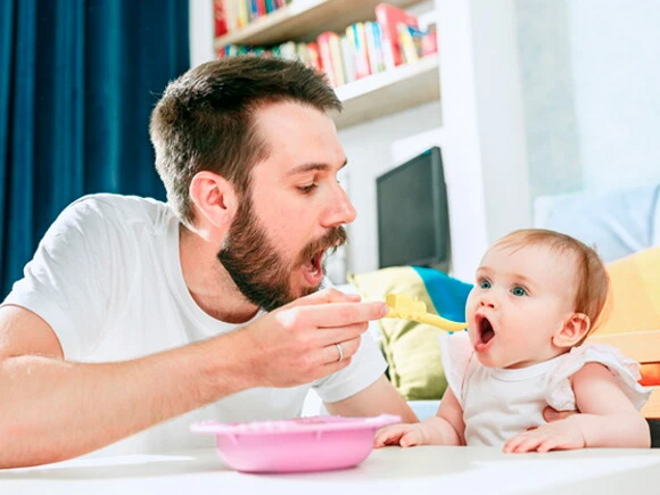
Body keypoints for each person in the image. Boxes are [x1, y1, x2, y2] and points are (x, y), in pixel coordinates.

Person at [0, 56, 417, 468]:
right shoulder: (108, 237)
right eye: (308, 185)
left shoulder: (307, 298)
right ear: (215, 199)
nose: (345, 211)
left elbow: (408, 451)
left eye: (336, 179)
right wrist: (246, 360)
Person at [375, 228, 651, 452]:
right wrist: (422, 432)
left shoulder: (577, 371)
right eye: (484, 283)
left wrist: (578, 429)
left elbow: (634, 431)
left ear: (568, 328)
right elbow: (450, 428)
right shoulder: (467, 367)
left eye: (518, 290)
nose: (488, 297)